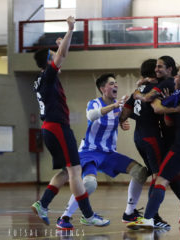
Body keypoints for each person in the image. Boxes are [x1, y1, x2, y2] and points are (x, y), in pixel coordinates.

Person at [31, 16, 109, 227]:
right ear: (48, 61)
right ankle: (89, 214)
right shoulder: (48, 75)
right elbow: (62, 55)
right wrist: (70, 29)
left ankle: (43, 204)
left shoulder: (42, 79)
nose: (57, 56)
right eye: (53, 55)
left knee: (67, 172)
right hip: (57, 127)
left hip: (49, 128)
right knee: (75, 171)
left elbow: (62, 54)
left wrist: (62, 43)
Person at [56, 73, 149, 230]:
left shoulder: (119, 106)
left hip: (108, 154)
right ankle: (65, 217)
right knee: (90, 184)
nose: (116, 86)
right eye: (112, 84)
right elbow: (92, 115)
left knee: (140, 172)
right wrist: (114, 107)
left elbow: (124, 118)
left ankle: (129, 213)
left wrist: (123, 122)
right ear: (102, 88)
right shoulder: (94, 103)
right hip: (90, 151)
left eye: (116, 83)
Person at [127, 67, 180, 230]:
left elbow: (162, 113)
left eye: (177, 76)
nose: (175, 78)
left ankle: (152, 217)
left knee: (162, 178)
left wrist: (144, 94)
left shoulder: (177, 96)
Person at [121, 59, 180, 229]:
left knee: (158, 173)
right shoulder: (155, 89)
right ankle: (154, 216)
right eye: (157, 68)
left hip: (138, 137)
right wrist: (178, 110)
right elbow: (157, 109)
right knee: (159, 177)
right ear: (154, 72)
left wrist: (122, 122)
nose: (159, 71)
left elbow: (124, 114)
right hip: (152, 137)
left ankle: (165, 210)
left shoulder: (137, 90)